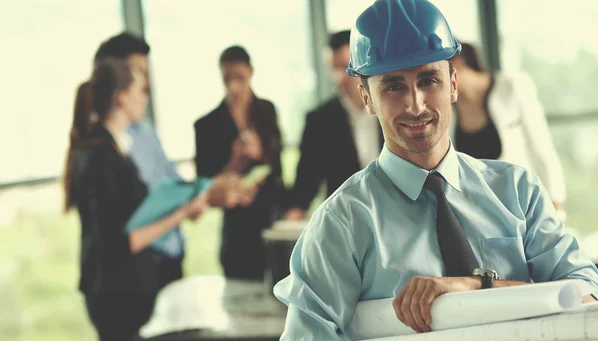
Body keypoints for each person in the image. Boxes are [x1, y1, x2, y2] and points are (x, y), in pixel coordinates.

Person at [273, 1, 598, 341]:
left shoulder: (517, 192)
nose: (416, 105)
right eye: (393, 85)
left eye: (429, 80)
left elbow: (587, 296)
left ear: (454, 83)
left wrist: (474, 287)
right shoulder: (342, 222)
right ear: (366, 98)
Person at [63, 59, 255, 341]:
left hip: (128, 288)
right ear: (122, 98)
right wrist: (182, 211)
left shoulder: (111, 150)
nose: (144, 99)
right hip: (113, 293)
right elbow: (121, 243)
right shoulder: (100, 158)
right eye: (140, 92)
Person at [95, 32, 188, 287]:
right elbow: (118, 238)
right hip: (136, 272)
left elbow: (174, 184)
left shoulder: (145, 132)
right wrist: (182, 213)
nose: (145, 84)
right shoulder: (103, 153)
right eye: (136, 73)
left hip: (169, 258)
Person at [194, 45, 284, 280]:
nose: (234, 86)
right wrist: (235, 160)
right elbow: (204, 182)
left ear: (251, 73)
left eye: (240, 78)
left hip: (271, 216)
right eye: (227, 79)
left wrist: (259, 154)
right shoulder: (206, 125)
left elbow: (277, 168)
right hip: (237, 229)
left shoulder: (267, 111)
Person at [450, 41, 567, 214]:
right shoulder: (446, 110)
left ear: (457, 62)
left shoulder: (512, 86)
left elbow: (541, 148)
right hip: (479, 216)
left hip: (525, 206)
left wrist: (557, 207)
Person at [284, 31, 383, 221]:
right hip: (346, 221)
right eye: (334, 69)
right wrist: (294, 213)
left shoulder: (390, 106)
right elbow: (306, 184)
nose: (340, 78)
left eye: (346, 67)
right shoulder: (319, 120)